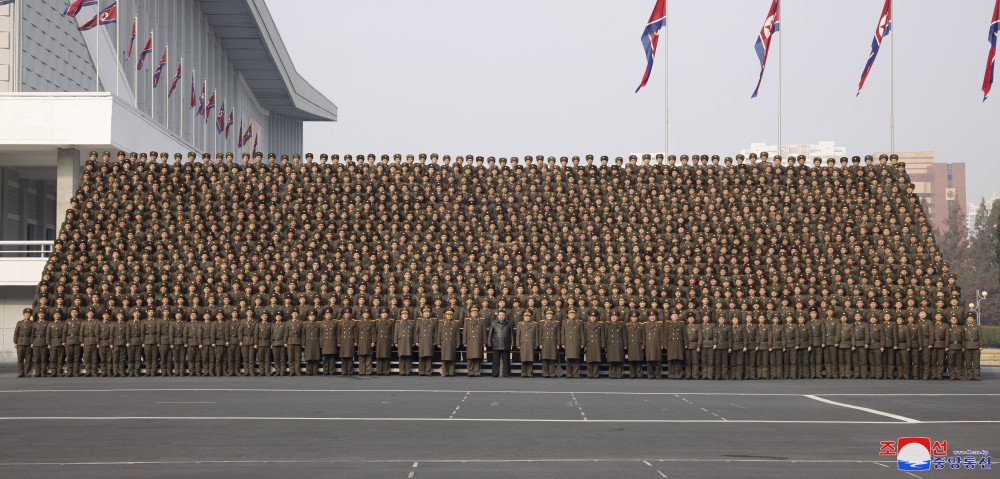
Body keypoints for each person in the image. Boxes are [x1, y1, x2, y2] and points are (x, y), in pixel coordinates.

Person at [487, 310, 514, 377]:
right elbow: (490, 334)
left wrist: (512, 343)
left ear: (505, 316)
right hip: (496, 343)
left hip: (506, 343)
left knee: (506, 360)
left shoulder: (509, 323)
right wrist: (489, 342)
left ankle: (507, 373)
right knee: (495, 360)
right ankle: (495, 373)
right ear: (497, 316)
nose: (501, 316)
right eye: (500, 315)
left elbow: (512, 334)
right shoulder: (493, 323)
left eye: (503, 315)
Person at [463, 307, 487, 377]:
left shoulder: (481, 320)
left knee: (477, 357)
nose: (474, 313)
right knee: (470, 358)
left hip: (478, 341)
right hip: (470, 341)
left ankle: (477, 372)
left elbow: (484, 332)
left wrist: (484, 341)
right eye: (473, 312)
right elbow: (465, 332)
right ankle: (470, 371)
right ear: (470, 313)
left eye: (476, 312)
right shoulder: (467, 321)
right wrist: (464, 341)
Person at [415, 307, 438, 376]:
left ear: (430, 313)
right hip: (421, 340)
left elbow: (436, 332)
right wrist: (416, 341)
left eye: (428, 312)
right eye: (425, 312)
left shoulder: (433, 321)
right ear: (422, 313)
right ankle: (421, 371)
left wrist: (435, 340)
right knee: (421, 357)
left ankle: (428, 371)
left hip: (430, 340)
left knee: (429, 356)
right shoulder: (419, 321)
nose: (426, 314)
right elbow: (417, 332)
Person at [561, 308, 583, 378]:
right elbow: (563, 333)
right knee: (568, 359)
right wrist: (562, 343)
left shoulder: (579, 322)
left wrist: (583, 343)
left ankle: (576, 374)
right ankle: (569, 374)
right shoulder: (564, 322)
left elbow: (581, 333)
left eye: (573, 314)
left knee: (576, 359)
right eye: (570, 314)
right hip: (568, 342)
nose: (572, 315)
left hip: (576, 342)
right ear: (568, 315)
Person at [437, 310, 460, 377]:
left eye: (450, 315)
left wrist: (458, 343)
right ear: (445, 315)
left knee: (451, 357)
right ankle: (445, 372)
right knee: (444, 358)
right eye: (448, 315)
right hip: (444, 342)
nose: (449, 316)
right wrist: (438, 342)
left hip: (452, 342)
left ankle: (451, 372)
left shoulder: (455, 323)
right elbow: (439, 333)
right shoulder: (441, 322)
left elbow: (457, 334)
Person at [538, 309, 560, 378]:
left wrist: (558, 344)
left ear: (552, 316)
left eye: (550, 315)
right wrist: (540, 343)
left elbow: (558, 334)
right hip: (544, 342)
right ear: (546, 315)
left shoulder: (556, 323)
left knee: (552, 358)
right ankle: (545, 373)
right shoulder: (542, 323)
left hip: (553, 342)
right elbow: (540, 334)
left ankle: (552, 373)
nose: (549, 316)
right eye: (548, 315)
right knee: (545, 358)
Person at [603, 312, 626, 379]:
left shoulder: (621, 325)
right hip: (610, 344)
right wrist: (605, 345)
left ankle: (619, 374)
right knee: (611, 360)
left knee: (619, 360)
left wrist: (625, 345)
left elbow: (624, 336)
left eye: (615, 316)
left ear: (618, 317)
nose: (614, 317)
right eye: (612, 316)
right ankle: (612, 374)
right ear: (610, 317)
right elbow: (605, 336)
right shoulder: (607, 325)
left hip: (619, 344)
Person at [516, 310, 538, 377]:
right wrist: (517, 344)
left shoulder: (534, 324)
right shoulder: (520, 324)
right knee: (523, 358)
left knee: (530, 359)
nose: (527, 317)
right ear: (523, 317)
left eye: (528, 316)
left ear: (530, 317)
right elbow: (518, 335)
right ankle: (523, 373)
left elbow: (536, 335)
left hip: (531, 343)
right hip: (523, 343)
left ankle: (530, 373)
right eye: (525, 316)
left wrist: (536, 344)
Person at [375, 308, 396, 376]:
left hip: (387, 340)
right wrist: (374, 341)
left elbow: (392, 332)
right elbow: (375, 332)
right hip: (379, 340)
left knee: (386, 356)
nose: (384, 314)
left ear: (387, 314)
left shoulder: (391, 321)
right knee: (379, 356)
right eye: (383, 313)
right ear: (380, 314)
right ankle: (379, 370)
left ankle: (386, 371)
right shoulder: (377, 321)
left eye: (385, 313)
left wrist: (392, 341)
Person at [394, 310, 415, 376]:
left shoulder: (411, 323)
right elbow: (396, 333)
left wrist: (414, 341)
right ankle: (402, 371)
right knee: (401, 356)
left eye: (406, 314)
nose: (405, 315)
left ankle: (408, 371)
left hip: (408, 340)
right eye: (403, 314)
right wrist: (395, 342)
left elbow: (414, 333)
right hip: (401, 341)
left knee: (408, 356)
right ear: (401, 315)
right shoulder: (398, 323)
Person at [14, 308, 33, 377]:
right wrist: (15, 342)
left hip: (28, 342)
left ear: (30, 315)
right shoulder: (19, 323)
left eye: (28, 314)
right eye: (26, 314)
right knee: (20, 358)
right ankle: (20, 372)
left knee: (28, 359)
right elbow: (16, 333)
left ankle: (26, 372)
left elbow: (33, 334)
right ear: (23, 315)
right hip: (20, 342)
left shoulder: (32, 323)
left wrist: (32, 342)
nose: (27, 315)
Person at [626, 312, 645, 379]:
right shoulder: (627, 325)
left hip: (638, 344)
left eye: (635, 317)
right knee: (631, 360)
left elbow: (643, 336)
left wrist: (643, 344)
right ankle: (632, 374)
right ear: (630, 318)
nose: (634, 318)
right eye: (632, 317)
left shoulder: (641, 325)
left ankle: (639, 374)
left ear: (637, 318)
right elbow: (626, 336)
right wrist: (626, 344)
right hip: (630, 344)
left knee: (639, 360)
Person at [963, 313, 981, 381]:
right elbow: (962, 338)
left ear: (974, 319)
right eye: (968, 318)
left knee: (976, 363)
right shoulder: (964, 327)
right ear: (967, 319)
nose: (969, 319)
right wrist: (963, 346)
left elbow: (980, 337)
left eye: (971, 318)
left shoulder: (977, 327)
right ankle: (970, 376)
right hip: (967, 346)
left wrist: (981, 346)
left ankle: (976, 376)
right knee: (968, 363)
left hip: (976, 346)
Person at [946, 316, 964, 380]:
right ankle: (952, 375)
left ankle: (958, 375)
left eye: (955, 319)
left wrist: (963, 347)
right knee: (951, 362)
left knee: (958, 362)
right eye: (952, 319)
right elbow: (946, 338)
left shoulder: (960, 328)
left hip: (959, 346)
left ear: (957, 320)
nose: (954, 320)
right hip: (951, 347)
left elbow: (963, 338)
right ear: (950, 320)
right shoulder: (948, 328)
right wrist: (946, 346)